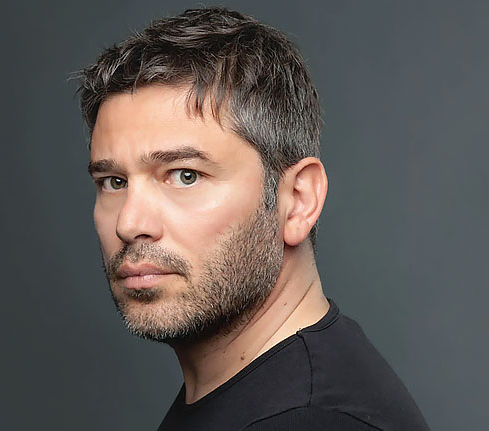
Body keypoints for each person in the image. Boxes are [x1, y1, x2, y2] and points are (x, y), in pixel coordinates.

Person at [76, 7, 428, 430]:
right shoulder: (263, 396)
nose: (130, 223)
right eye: (113, 182)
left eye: (185, 175)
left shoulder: (311, 421)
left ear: (297, 200)